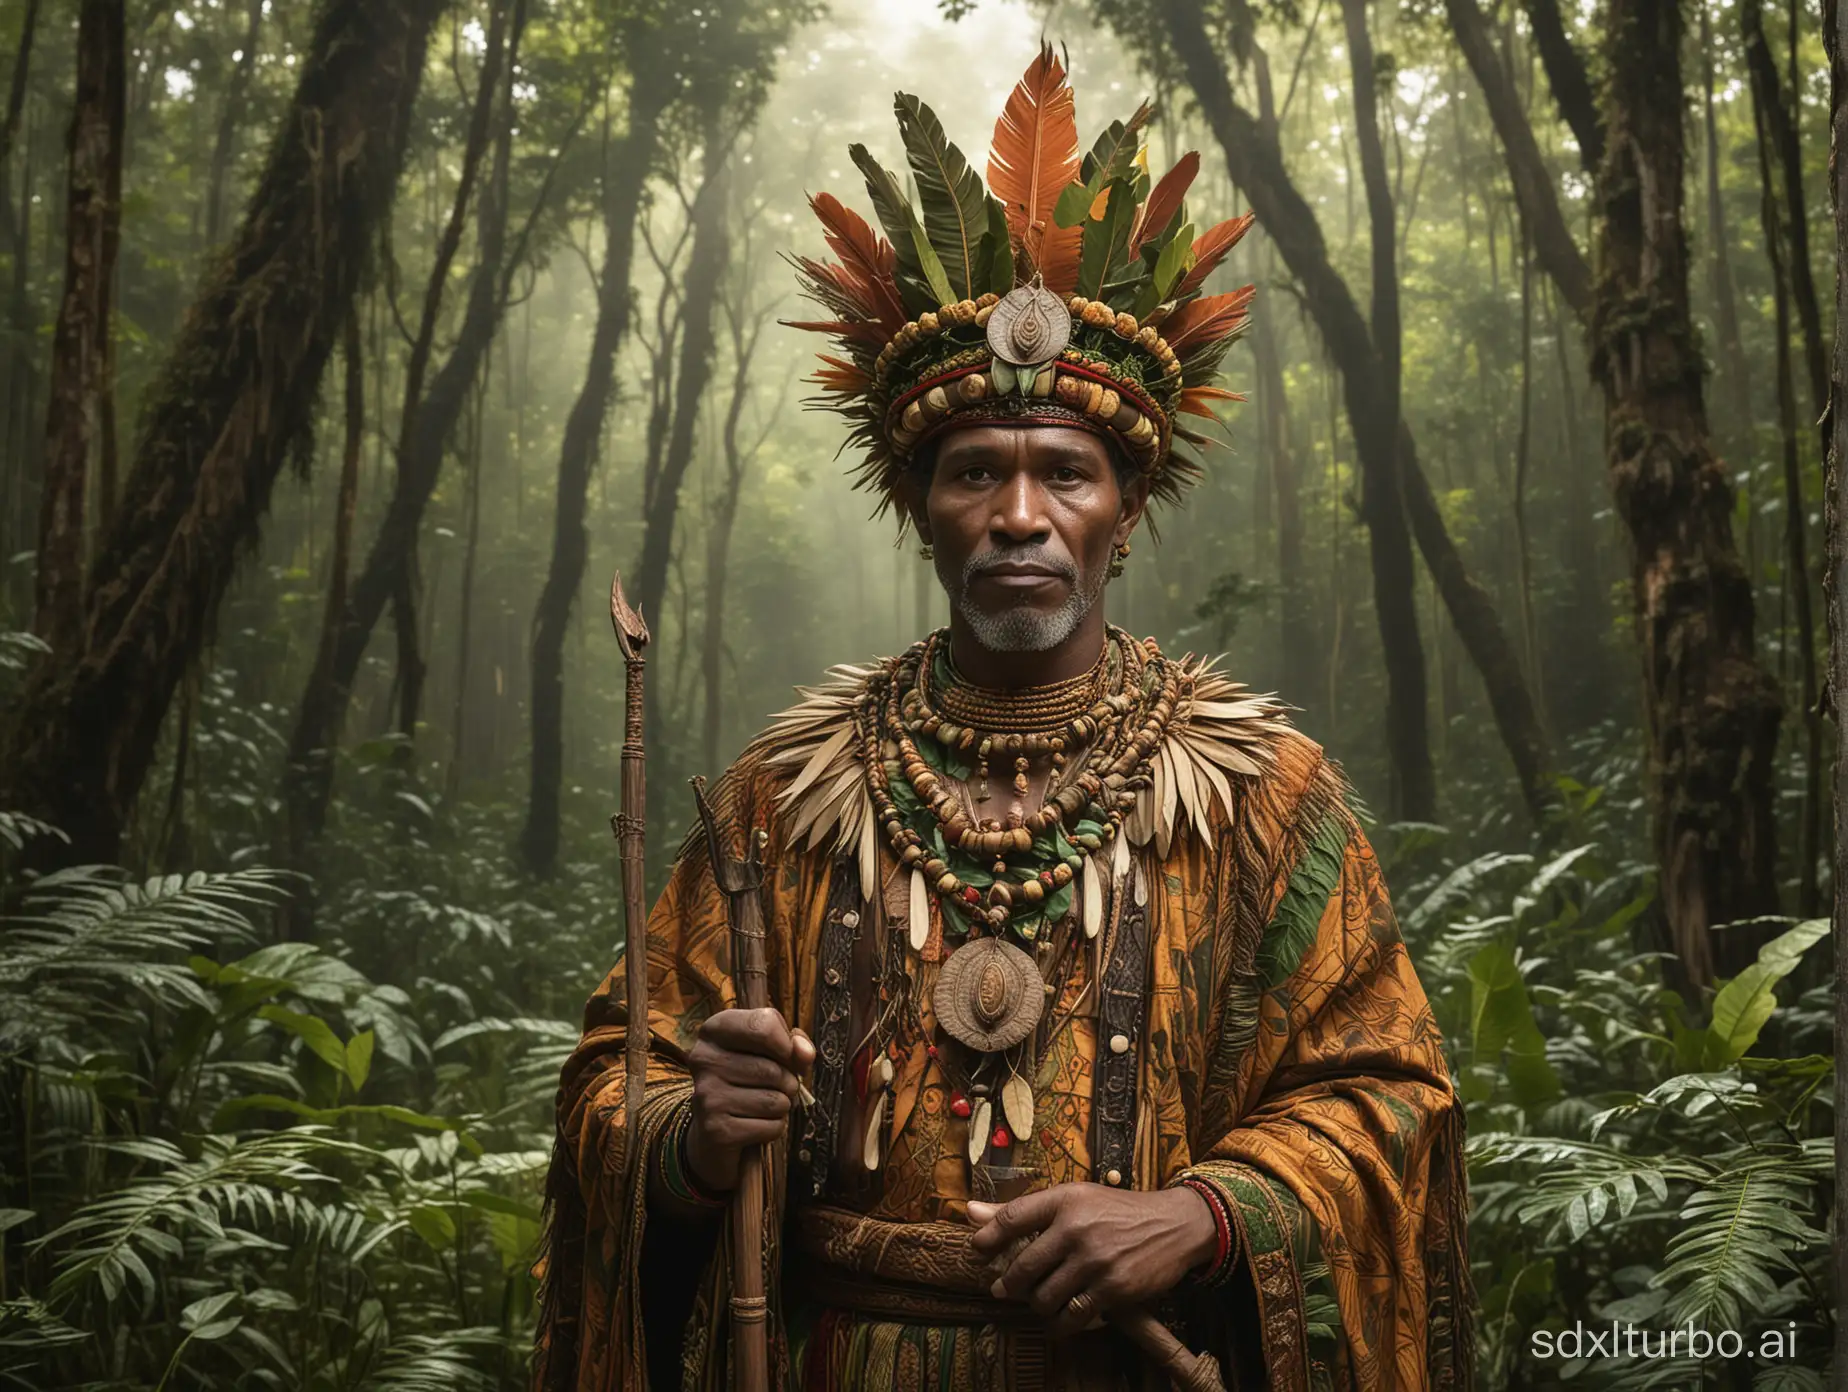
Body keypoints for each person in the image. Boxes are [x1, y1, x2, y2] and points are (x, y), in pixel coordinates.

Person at [533, 47, 1472, 1392]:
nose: (1020, 514)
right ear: (922, 507)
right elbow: (608, 1091)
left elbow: (1387, 1092)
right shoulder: (776, 802)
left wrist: (1199, 1216)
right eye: (975, 470)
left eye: (1065, 473)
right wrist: (689, 1131)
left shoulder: (1269, 799)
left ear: (1126, 510)